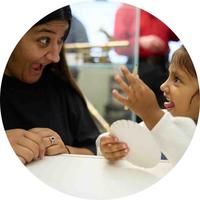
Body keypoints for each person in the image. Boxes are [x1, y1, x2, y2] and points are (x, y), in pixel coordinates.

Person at [0, 6, 101, 165]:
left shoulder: (62, 88)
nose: (55, 57)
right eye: (44, 40)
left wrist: (66, 151)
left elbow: (94, 148)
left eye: (60, 40)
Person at [97, 45, 199, 165]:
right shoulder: (166, 118)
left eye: (177, 79)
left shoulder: (159, 120)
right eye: (168, 76)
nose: (163, 86)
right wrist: (108, 146)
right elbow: (125, 138)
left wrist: (152, 115)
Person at [113, 3, 179, 121]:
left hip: (163, 68)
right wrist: (140, 42)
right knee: (139, 117)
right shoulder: (127, 9)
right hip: (139, 67)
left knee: (166, 115)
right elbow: (118, 46)